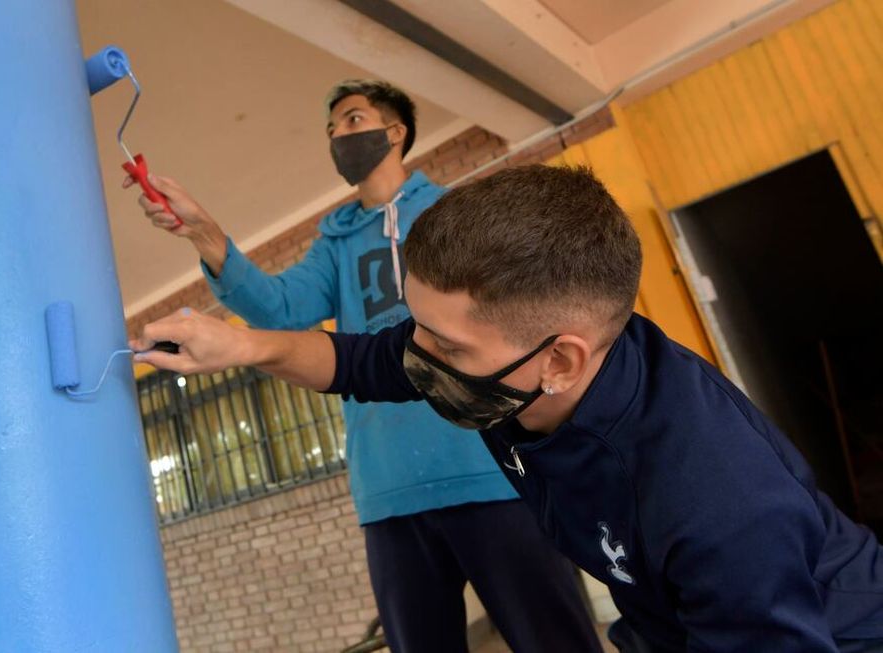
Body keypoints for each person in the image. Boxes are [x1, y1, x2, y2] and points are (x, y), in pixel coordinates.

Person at [132, 164, 883, 653]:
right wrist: (238, 346)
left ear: (560, 360)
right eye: (414, 326)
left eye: (446, 348)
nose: (417, 355)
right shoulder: (504, 359)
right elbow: (355, 359)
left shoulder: (717, 496)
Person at [126, 81, 602, 652]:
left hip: (490, 472)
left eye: (352, 120)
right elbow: (279, 308)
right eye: (331, 130)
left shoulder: (454, 212)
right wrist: (203, 230)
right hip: (389, 489)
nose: (338, 136)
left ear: (395, 132)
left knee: (555, 641)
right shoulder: (336, 242)